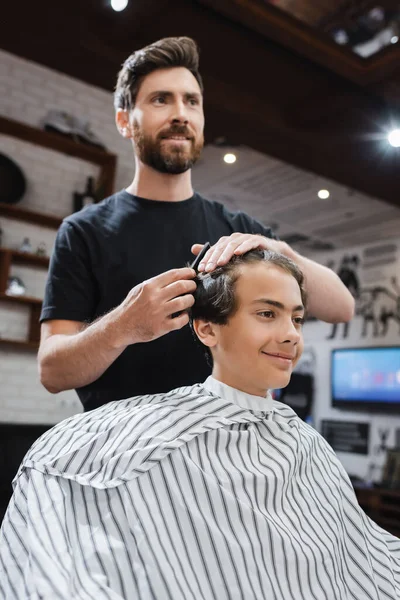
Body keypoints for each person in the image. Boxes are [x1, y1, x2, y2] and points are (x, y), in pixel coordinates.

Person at [1, 249, 398, 599]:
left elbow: (360, 562)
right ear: (207, 328)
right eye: (266, 313)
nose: (291, 335)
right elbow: (50, 472)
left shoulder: (308, 445)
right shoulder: (139, 432)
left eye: (296, 319)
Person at [38, 36, 354, 411]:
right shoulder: (83, 232)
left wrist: (280, 251)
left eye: (191, 101)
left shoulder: (240, 230)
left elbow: (341, 308)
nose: (180, 114)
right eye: (161, 99)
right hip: (124, 457)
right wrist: (124, 325)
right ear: (125, 121)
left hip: (231, 452)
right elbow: (53, 372)